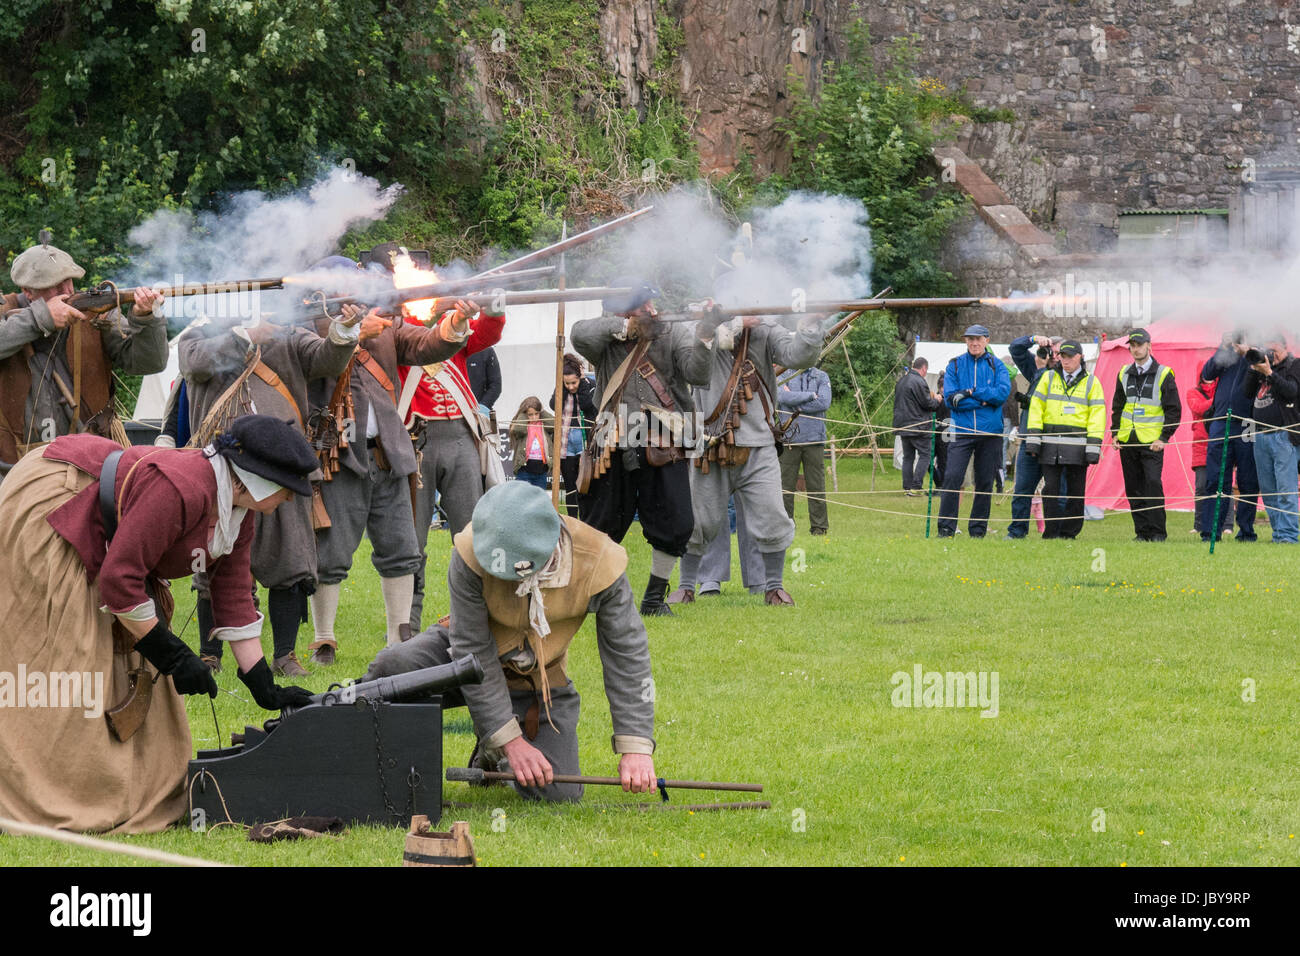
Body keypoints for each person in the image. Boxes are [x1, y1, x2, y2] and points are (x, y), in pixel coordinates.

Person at [0, 415, 317, 833]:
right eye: (286, 490)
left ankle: (126, 787)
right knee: (69, 658)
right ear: (255, 481)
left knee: (131, 664)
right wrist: (171, 653)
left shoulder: (240, 513)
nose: (290, 500)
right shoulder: (181, 487)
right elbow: (120, 579)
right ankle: (51, 791)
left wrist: (261, 682)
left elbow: (233, 592)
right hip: (57, 505)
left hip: (114, 531)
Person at [361, 481, 657, 802]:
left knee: (558, 792)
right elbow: (471, 648)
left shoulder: (600, 560)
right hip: (462, 659)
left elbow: (628, 654)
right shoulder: (470, 549)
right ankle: (370, 766)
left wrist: (635, 746)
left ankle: (491, 751)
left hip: (534, 678)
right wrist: (510, 740)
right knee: (391, 670)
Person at [177, 265, 361, 676]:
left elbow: (326, 358)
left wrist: (343, 331)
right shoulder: (203, 332)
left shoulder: (290, 334)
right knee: (215, 560)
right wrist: (245, 337)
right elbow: (193, 363)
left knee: (291, 562)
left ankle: (284, 655)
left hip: (281, 466)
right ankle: (211, 655)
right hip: (224, 466)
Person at [307, 267, 467, 663]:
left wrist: (456, 322)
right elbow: (320, 361)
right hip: (338, 453)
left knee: (401, 548)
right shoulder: (308, 328)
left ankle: (399, 639)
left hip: (389, 452)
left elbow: (428, 345)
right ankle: (324, 638)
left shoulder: (388, 323)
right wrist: (353, 332)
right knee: (331, 553)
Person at [571, 278, 712, 616]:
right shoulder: (606, 338)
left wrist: (705, 335)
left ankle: (653, 598)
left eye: (651, 305)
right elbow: (579, 334)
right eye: (643, 306)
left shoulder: (672, 332)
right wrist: (625, 326)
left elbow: (697, 374)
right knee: (599, 523)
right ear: (624, 310)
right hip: (612, 437)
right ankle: (591, 594)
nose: (652, 310)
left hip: (663, 438)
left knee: (674, 521)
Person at [669, 305, 822, 607]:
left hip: (758, 442)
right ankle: (686, 586)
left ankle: (773, 587)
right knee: (698, 520)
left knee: (772, 516)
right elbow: (693, 366)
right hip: (708, 441)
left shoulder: (765, 330)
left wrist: (808, 328)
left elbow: (798, 356)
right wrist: (732, 322)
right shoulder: (700, 329)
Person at [0, 239, 169, 482]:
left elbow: (149, 364)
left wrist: (146, 319)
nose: (67, 291)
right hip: (14, 469)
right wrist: (41, 318)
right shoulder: (6, 312)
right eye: (55, 285)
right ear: (28, 291)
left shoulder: (95, 314)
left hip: (92, 464)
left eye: (69, 280)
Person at [402, 298, 506, 633]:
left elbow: (486, 335)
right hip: (415, 438)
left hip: (460, 435)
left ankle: (470, 617)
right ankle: (407, 624)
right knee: (412, 543)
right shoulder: (398, 333)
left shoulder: (454, 326)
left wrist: (492, 306)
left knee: (470, 534)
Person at [1022, 341, 1104, 539]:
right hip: (1051, 446)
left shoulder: (1092, 382)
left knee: (1076, 493)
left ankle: (1069, 533)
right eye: (1063, 356)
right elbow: (1036, 409)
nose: (1065, 360)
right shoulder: (1048, 377)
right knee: (1051, 491)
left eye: (1070, 356)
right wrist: (1033, 440)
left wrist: (1093, 447)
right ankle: (1051, 533)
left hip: (1078, 448)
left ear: (1080, 357)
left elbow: (1097, 415)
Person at [937, 325, 1011, 538]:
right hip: (961, 430)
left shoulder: (998, 366)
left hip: (990, 433)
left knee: (985, 481)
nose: (974, 343)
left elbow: (1001, 395)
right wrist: (984, 401)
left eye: (977, 339)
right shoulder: (955, 366)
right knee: (952, 477)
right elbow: (952, 400)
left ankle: (977, 530)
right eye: (970, 339)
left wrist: (971, 392)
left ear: (987, 340)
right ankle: (946, 527)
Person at [1112, 328, 1182, 542]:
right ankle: (1141, 533)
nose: (1135, 349)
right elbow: (1118, 405)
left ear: (1149, 346)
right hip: (1127, 440)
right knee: (1133, 488)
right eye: (1132, 345)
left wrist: (1164, 437)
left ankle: (1158, 533)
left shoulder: (1164, 373)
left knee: (1152, 484)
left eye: (1139, 345)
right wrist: (1115, 433)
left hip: (1152, 441)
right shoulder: (1123, 372)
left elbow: (1174, 410)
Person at [1197, 330, 1260, 542]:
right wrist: (1223, 347)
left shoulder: (1258, 351)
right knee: (1216, 480)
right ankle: (1210, 531)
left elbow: (1263, 366)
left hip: (1247, 424)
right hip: (1221, 421)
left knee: (1248, 481)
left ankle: (1246, 532)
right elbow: (1207, 374)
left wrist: (1248, 351)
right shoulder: (1226, 354)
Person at [1243, 332, 1299, 543]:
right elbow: (1246, 393)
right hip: (1261, 435)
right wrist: (1254, 367)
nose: (1270, 355)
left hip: (1284, 436)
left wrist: (1270, 373)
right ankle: (1278, 533)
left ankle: (1288, 536)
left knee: (1286, 489)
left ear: (1284, 347)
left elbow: (1292, 391)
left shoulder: (1294, 366)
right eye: (1266, 350)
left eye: (1273, 351)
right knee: (1268, 491)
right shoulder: (1262, 369)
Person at [779, 363, 833, 530]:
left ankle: (819, 527)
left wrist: (794, 400)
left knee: (816, 486)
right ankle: (785, 526)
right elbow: (781, 398)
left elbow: (824, 402)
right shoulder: (781, 375)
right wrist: (811, 395)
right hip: (789, 439)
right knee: (785, 487)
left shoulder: (822, 376)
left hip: (814, 439)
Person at [551, 353, 598, 517]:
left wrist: (583, 385)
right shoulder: (562, 388)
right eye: (567, 383)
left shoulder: (590, 385)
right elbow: (553, 405)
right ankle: (572, 519)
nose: (571, 386)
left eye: (574, 382)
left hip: (584, 439)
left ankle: (585, 518)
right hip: (565, 439)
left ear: (580, 377)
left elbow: (587, 405)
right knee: (569, 482)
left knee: (584, 482)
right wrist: (562, 387)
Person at [1185, 359, 1228, 538]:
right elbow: (1199, 407)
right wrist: (1219, 400)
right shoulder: (1192, 393)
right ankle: (1199, 524)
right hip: (1201, 446)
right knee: (1202, 487)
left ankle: (1227, 524)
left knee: (1223, 485)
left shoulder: (1222, 388)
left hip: (1220, 441)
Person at [893, 357, 940, 498]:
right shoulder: (919, 381)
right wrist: (936, 399)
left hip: (903, 425)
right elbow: (928, 404)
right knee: (925, 455)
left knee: (908, 457)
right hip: (918, 425)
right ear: (924, 368)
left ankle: (907, 487)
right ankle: (916, 487)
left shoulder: (901, 381)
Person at [508, 396, 554, 489]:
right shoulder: (523, 426)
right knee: (522, 497)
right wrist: (523, 414)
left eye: (537, 414)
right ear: (525, 414)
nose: (534, 417)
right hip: (524, 470)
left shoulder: (543, 425)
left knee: (539, 499)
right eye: (530, 414)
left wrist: (542, 411)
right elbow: (518, 429)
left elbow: (554, 423)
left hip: (541, 471)